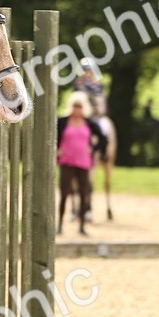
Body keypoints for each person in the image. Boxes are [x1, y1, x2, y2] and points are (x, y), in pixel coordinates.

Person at [56, 92, 105, 237]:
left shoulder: (89, 123)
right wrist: (57, 149)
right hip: (67, 162)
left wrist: (94, 149)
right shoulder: (63, 122)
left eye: (80, 106)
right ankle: (59, 225)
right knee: (64, 193)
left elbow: (103, 138)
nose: (77, 109)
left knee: (84, 193)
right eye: (75, 106)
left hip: (83, 162)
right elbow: (53, 135)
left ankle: (82, 225)